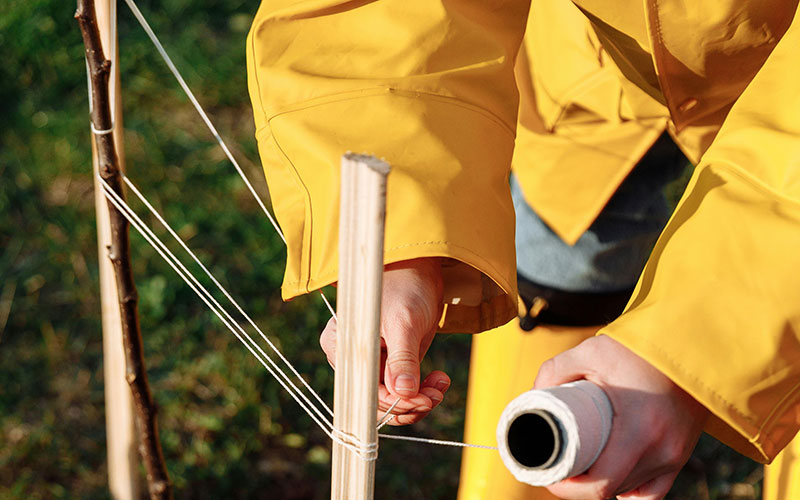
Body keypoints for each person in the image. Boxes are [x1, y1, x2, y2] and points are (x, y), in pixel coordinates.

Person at [245, 1, 800, 498]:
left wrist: (694, 349)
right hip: (600, 67)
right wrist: (400, 248)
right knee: (562, 258)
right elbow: (372, 16)